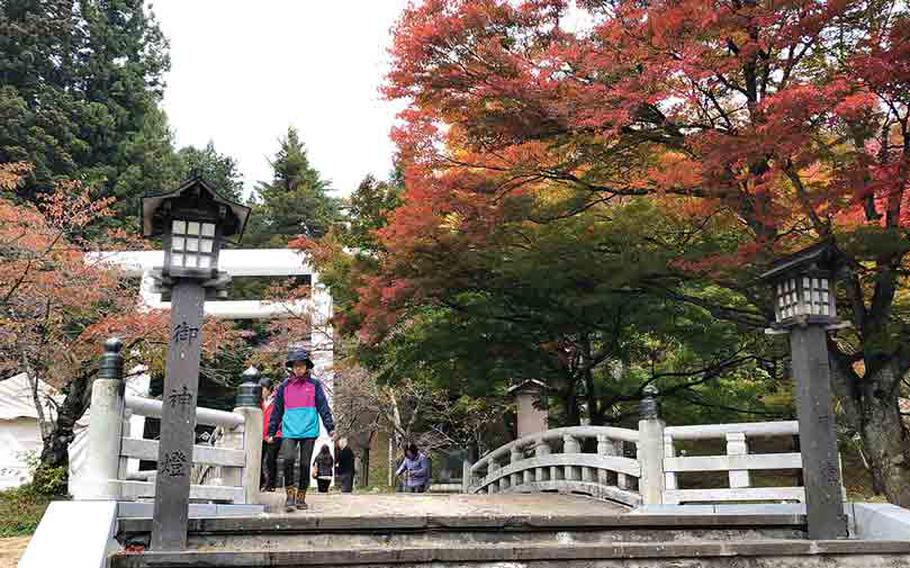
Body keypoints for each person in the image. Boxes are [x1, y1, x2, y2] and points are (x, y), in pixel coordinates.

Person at [267, 347, 335, 512]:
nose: (298, 368)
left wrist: (330, 428)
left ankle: (301, 497)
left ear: (307, 366)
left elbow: (323, 407)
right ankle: (289, 495)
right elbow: (277, 410)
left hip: (309, 430)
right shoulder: (284, 387)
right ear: (291, 367)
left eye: (301, 365)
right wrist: (271, 431)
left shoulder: (314, 385)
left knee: (305, 464)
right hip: (289, 429)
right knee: (288, 459)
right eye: (295, 365)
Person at [260, 376, 281, 492]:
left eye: (263, 389)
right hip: (261, 435)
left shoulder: (278, 400)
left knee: (271, 459)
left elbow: (280, 418)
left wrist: (272, 434)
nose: (261, 392)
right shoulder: (259, 402)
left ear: (269, 389)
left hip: (275, 434)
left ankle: (271, 484)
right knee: (259, 458)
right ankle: (261, 482)